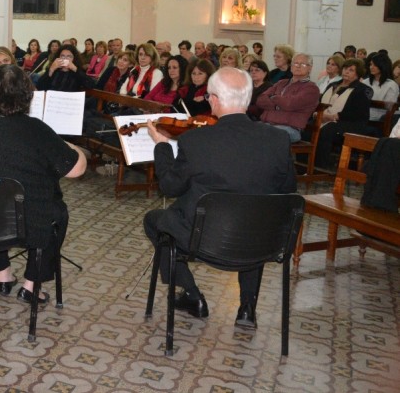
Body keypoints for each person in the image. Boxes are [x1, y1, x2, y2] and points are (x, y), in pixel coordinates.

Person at [143, 67, 296, 328]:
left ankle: (191, 294)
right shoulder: (278, 139)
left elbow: (170, 187)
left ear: (213, 99)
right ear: (247, 99)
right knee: (255, 217)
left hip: (203, 241)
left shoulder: (196, 140)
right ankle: (247, 307)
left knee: (155, 220)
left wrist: (161, 146)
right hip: (263, 242)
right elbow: (288, 189)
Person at [0, 64, 86, 304]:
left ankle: (3, 275)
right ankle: (31, 285)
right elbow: (77, 169)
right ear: (25, 96)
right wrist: (71, 147)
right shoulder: (34, 128)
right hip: (25, 226)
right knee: (55, 212)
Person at [315, 58, 373, 169]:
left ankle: (320, 167)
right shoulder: (334, 84)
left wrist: (333, 116)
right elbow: (320, 101)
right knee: (308, 127)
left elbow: (358, 113)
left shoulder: (363, 89)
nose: (346, 72)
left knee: (328, 130)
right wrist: (318, 114)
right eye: (346, 68)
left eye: (351, 70)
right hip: (325, 118)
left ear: (358, 73)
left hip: (350, 123)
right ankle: (305, 165)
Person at [255, 53, 320, 142]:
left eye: (303, 64)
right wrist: (277, 105)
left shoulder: (311, 88)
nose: (298, 66)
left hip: (290, 128)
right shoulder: (281, 83)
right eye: (295, 63)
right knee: (243, 131)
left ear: (310, 68)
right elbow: (260, 100)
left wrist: (273, 97)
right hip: (267, 124)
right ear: (291, 66)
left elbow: (290, 104)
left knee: (265, 135)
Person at [363, 52, 399, 123]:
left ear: (382, 66)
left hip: (378, 119)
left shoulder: (391, 85)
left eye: (375, 65)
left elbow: (389, 108)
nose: (371, 67)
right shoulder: (365, 82)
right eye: (371, 64)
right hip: (361, 116)